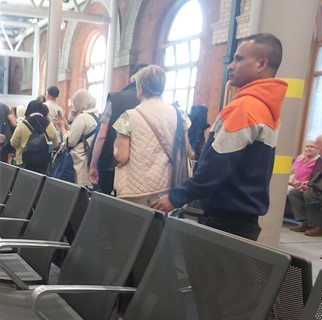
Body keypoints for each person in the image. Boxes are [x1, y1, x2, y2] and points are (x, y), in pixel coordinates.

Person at [152, 33, 287, 241]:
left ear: (261, 63)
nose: (231, 65)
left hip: (225, 224)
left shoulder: (244, 108)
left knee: (205, 275)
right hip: (243, 223)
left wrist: (175, 197)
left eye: (239, 59)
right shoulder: (267, 108)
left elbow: (214, 169)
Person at [110, 65, 187, 205]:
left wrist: (115, 147)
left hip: (134, 189)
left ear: (141, 88)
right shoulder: (179, 114)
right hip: (166, 189)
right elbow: (186, 150)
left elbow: (122, 157)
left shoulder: (128, 117)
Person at [89, 64, 147, 194]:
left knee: (102, 202)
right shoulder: (153, 104)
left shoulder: (115, 99)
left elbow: (101, 136)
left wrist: (93, 164)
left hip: (109, 162)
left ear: (132, 79)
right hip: (136, 167)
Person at [56, 89, 99, 186]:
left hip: (79, 162)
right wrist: (68, 126)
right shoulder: (97, 115)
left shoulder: (83, 117)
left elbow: (70, 141)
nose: (74, 106)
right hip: (90, 159)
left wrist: (62, 127)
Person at [287, 135, 322, 236]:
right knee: (294, 192)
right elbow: (314, 176)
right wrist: (307, 184)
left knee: (309, 193)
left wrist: (311, 186)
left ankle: (318, 227)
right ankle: (305, 222)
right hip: (318, 187)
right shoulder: (321, 159)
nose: (316, 148)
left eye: (317, 145)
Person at [10, 99, 58, 173]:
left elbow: (13, 142)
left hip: (24, 161)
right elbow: (55, 143)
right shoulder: (48, 124)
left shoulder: (23, 124)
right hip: (43, 162)